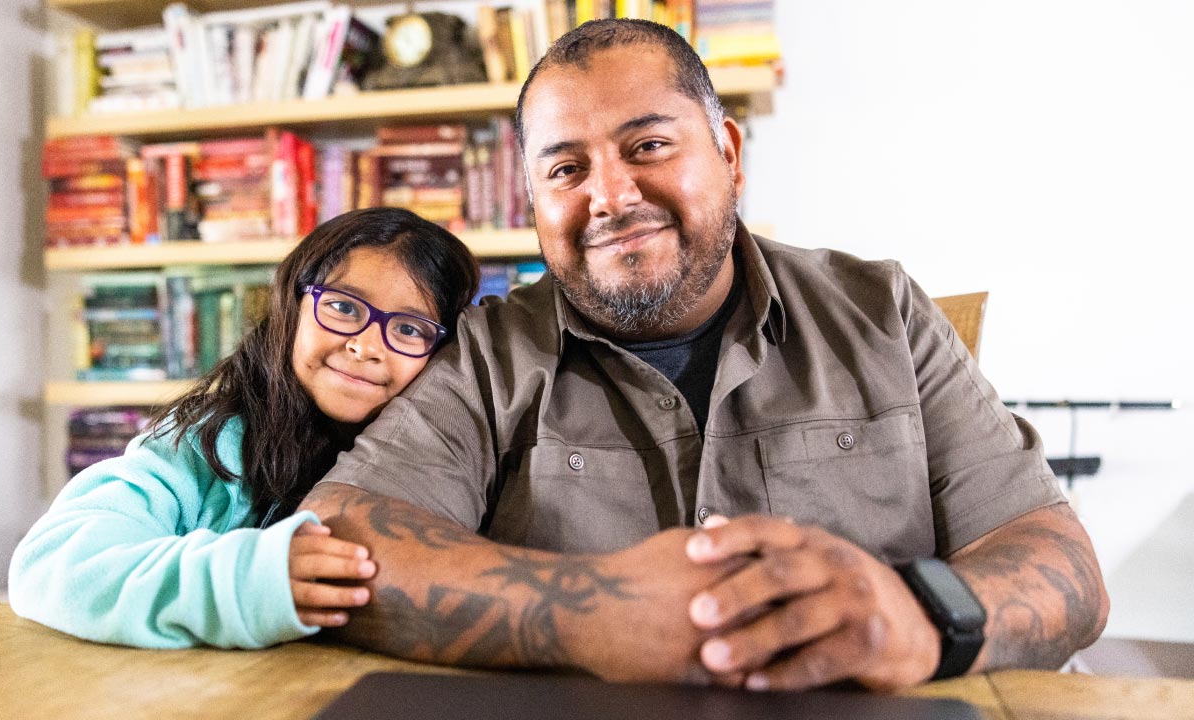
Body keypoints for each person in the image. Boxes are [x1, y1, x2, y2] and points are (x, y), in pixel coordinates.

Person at [298, 19, 1109, 690]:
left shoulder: (884, 312)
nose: (610, 196)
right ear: (535, 199)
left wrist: (921, 618)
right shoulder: (486, 353)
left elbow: (1060, 564)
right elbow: (336, 533)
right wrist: (587, 607)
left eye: (647, 146)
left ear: (727, 150)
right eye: (566, 167)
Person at [8, 207, 480, 649]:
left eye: (410, 330)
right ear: (292, 306)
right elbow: (52, 563)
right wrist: (246, 579)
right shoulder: (209, 441)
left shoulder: (455, 461)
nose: (366, 345)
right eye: (343, 307)